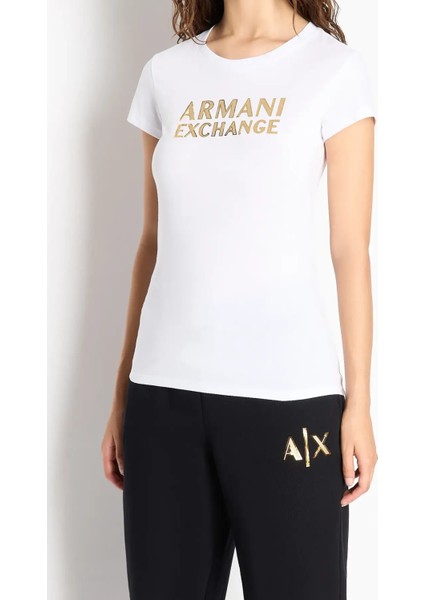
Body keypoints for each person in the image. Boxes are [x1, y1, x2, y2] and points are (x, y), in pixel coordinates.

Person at [101, 1, 378, 598]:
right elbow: (152, 242)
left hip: (288, 399)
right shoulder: (167, 74)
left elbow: (350, 251)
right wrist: (122, 391)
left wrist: (359, 402)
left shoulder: (333, 69)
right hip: (163, 400)